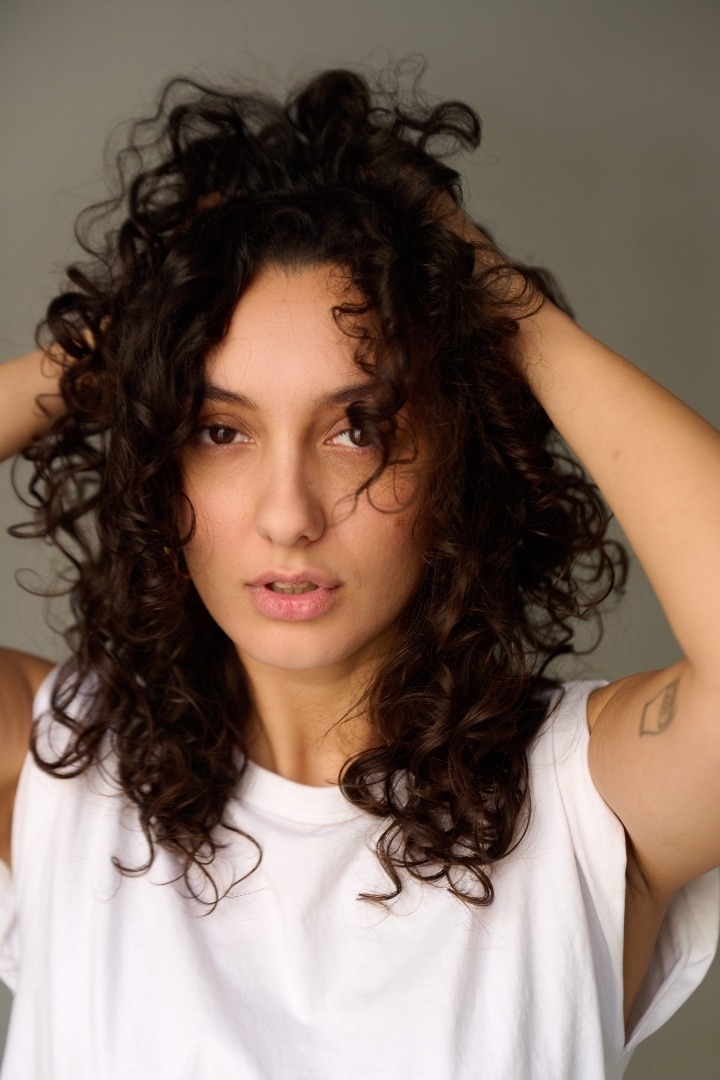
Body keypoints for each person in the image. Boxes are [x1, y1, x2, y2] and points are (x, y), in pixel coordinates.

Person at [0, 67, 718, 1080]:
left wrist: (503, 311)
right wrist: (120, 341)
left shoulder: (583, 804)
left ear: (455, 454)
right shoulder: (58, 765)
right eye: (220, 429)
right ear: (159, 461)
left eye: (357, 429)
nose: (288, 516)